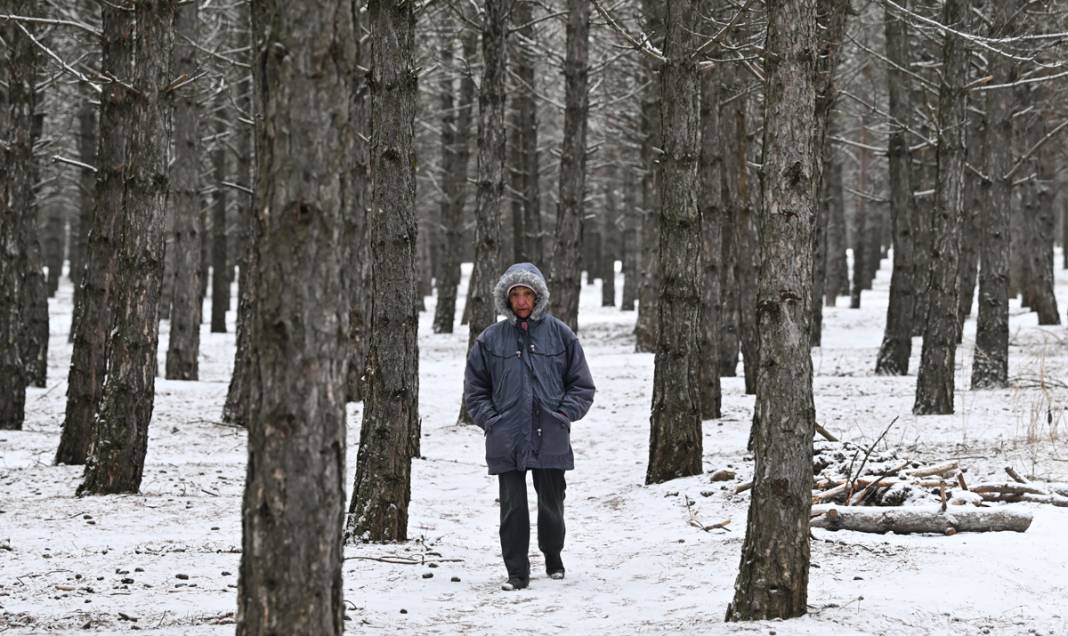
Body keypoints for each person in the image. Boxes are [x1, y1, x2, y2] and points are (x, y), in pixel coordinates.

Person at [463, 262, 596, 591]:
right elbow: (474, 391)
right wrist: (492, 422)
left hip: (550, 432)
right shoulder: (490, 340)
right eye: (516, 295)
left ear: (538, 297)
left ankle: (553, 556)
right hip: (506, 436)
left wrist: (563, 414)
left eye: (528, 294)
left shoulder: (561, 334)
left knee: (552, 502)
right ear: (506, 299)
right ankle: (517, 572)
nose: (522, 301)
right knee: (512, 508)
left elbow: (582, 385)